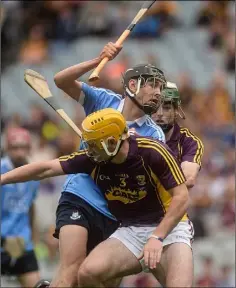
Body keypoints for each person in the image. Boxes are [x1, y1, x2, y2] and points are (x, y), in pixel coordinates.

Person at [1, 108, 190, 287]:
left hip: (170, 227)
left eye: (93, 144)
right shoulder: (93, 159)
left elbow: (181, 198)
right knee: (87, 273)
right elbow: (45, 169)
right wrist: (2, 179)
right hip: (131, 230)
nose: (88, 149)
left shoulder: (153, 151)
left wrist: (157, 237)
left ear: (111, 142)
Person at [44, 42, 167, 287]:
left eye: (161, 88)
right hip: (79, 195)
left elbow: (150, 183)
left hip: (118, 212)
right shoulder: (103, 100)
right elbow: (60, 80)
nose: (158, 93)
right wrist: (98, 59)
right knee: (71, 269)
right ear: (133, 85)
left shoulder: (155, 136)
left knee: (101, 281)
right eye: (152, 85)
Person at [1, 127, 40, 287]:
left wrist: (33, 237)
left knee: (37, 284)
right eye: (15, 147)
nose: (19, 152)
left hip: (23, 243)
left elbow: (30, 207)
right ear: (8, 148)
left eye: (23, 147)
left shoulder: (34, 174)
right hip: (2, 240)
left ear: (29, 148)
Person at [152, 81, 204, 189]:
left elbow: (188, 179)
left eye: (166, 108)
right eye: (155, 108)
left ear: (176, 110)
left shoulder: (189, 142)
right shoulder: (137, 134)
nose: (160, 113)